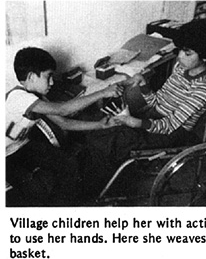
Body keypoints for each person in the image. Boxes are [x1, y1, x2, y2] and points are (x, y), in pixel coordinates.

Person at [85, 19, 206, 195]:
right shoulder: (181, 68)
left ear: (205, 56)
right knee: (101, 125)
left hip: (172, 132)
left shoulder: (203, 89)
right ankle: (98, 174)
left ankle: (101, 184)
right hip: (155, 118)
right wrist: (143, 84)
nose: (180, 56)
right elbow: (156, 102)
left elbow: (169, 126)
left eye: (187, 53)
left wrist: (134, 122)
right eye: (180, 50)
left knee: (114, 138)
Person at [6, 47, 123, 206]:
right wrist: (103, 92)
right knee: (34, 190)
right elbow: (64, 109)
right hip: (6, 155)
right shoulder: (18, 98)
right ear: (32, 77)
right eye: (48, 77)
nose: (52, 82)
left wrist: (100, 125)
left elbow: (64, 122)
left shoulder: (36, 98)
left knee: (68, 164)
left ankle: (67, 208)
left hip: (22, 145)